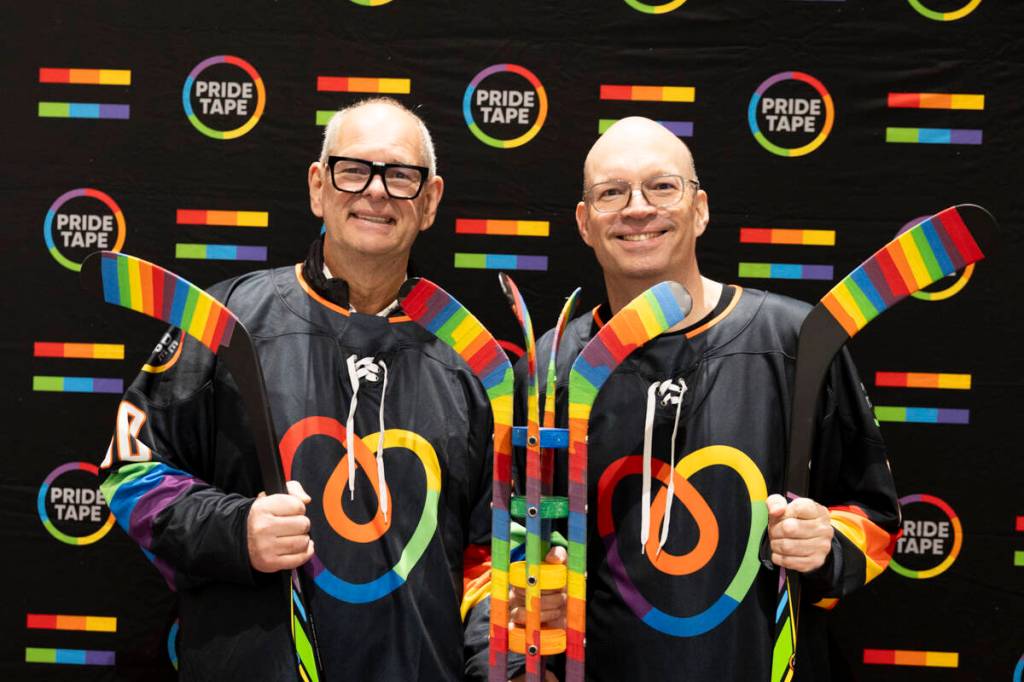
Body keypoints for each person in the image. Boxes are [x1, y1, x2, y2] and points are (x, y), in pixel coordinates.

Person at [98, 98, 498, 680]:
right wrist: (237, 531)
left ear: (430, 200)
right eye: (353, 170)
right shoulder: (222, 321)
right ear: (318, 186)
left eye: (401, 176)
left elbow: (490, 558)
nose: (376, 192)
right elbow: (128, 475)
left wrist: (496, 664)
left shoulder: (474, 360)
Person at [515, 117, 901, 680]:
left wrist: (828, 541)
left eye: (662, 187)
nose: (637, 208)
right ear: (584, 223)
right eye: (611, 193)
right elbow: (518, 531)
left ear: (700, 209)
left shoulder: (795, 343)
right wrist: (532, 587)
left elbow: (878, 518)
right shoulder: (551, 366)